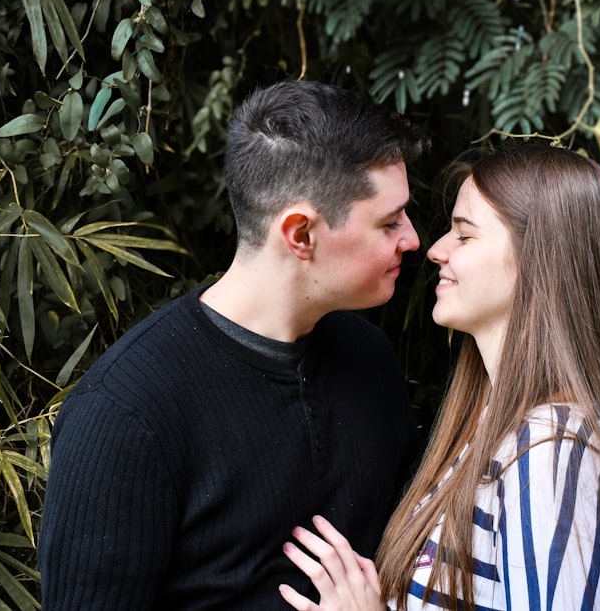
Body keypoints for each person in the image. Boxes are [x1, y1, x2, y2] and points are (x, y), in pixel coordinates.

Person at [38, 79, 429, 609]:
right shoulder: (125, 413)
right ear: (300, 235)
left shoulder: (370, 359)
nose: (413, 239)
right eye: (389, 222)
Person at [279, 142, 600, 610]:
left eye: (464, 235)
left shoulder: (551, 451)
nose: (434, 250)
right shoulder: (494, 428)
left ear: (538, 258)